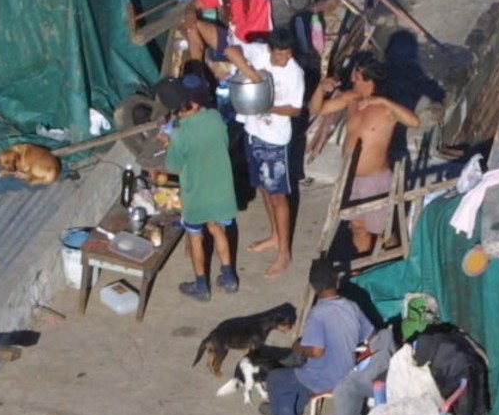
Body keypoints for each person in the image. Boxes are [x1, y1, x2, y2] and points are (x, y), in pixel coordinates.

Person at [309, 52, 420, 257]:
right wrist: (320, 89)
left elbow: (414, 122)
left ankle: (392, 261)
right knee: (358, 227)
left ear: (370, 80)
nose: (352, 80)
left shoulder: (386, 108)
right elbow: (318, 109)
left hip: (375, 179)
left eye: (357, 77)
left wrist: (384, 102)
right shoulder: (351, 99)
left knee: (383, 231)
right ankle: (362, 266)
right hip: (351, 178)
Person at [223, 27, 307, 279]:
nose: (284, 59)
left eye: (288, 54)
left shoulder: (295, 73)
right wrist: (254, 76)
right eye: (280, 54)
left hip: (275, 141)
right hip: (254, 134)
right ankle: (274, 235)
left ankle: (284, 253)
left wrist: (266, 104)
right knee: (264, 189)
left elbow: (294, 109)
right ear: (271, 49)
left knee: (279, 196)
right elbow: (230, 50)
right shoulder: (259, 53)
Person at [259, 257, 370, 415]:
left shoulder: (318, 313)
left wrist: (299, 347)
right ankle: (283, 408)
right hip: (347, 372)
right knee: (297, 373)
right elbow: (367, 334)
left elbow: (317, 351)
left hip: (324, 378)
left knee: (276, 378)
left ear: (313, 286)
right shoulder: (352, 306)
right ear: (336, 281)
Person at [156, 76, 239, 301]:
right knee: (217, 229)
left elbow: (173, 165)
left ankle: (202, 286)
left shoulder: (179, 135)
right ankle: (229, 277)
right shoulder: (214, 117)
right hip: (221, 190)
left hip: (196, 196)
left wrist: (167, 142)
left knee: (196, 238)